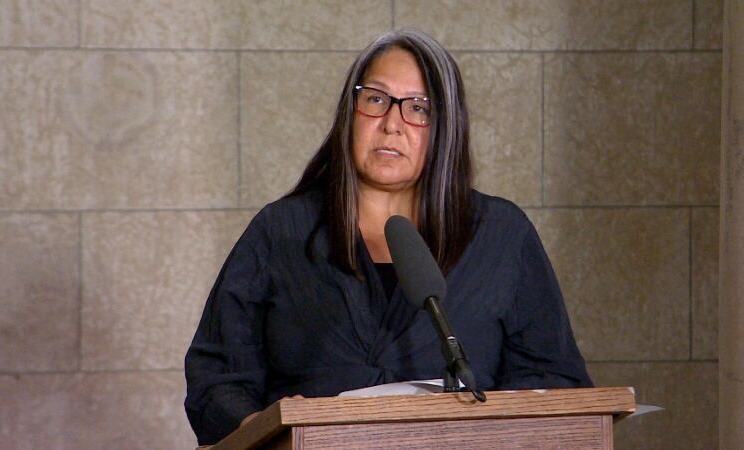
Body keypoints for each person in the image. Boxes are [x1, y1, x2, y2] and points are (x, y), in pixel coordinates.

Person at [184, 29, 592, 446]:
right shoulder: (280, 232)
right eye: (376, 100)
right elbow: (215, 379)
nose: (393, 124)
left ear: (446, 128)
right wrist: (270, 431)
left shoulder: (501, 235)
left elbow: (553, 377)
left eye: (419, 108)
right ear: (351, 111)